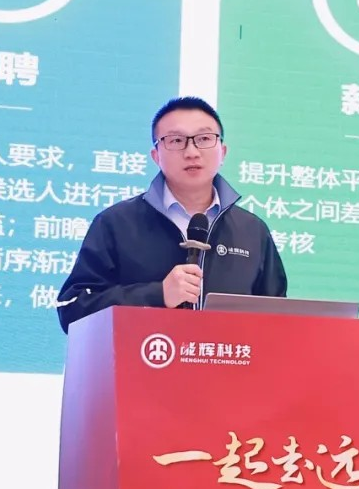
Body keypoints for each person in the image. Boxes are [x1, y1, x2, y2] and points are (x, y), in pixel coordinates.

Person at [55, 96, 287, 333]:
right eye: (176, 141)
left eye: (204, 139)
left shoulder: (252, 231)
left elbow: (279, 320)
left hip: (227, 357)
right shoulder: (116, 223)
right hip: (144, 356)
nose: (192, 152)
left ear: (223, 152)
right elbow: (72, 309)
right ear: (156, 156)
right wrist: (158, 295)